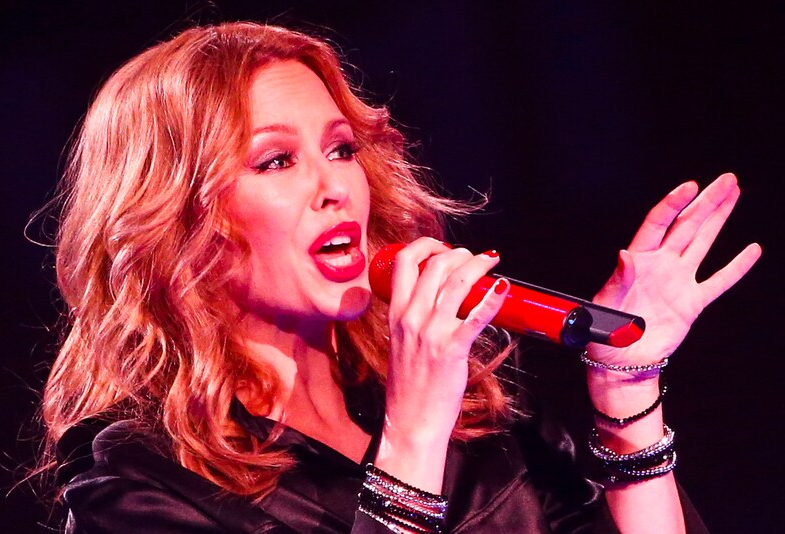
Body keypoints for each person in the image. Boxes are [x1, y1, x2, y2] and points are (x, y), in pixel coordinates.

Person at [40, 21, 761, 533]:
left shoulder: (477, 412)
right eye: (276, 161)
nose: (335, 188)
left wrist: (627, 395)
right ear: (176, 221)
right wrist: (412, 436)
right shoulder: (137, 487)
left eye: (341, 149)